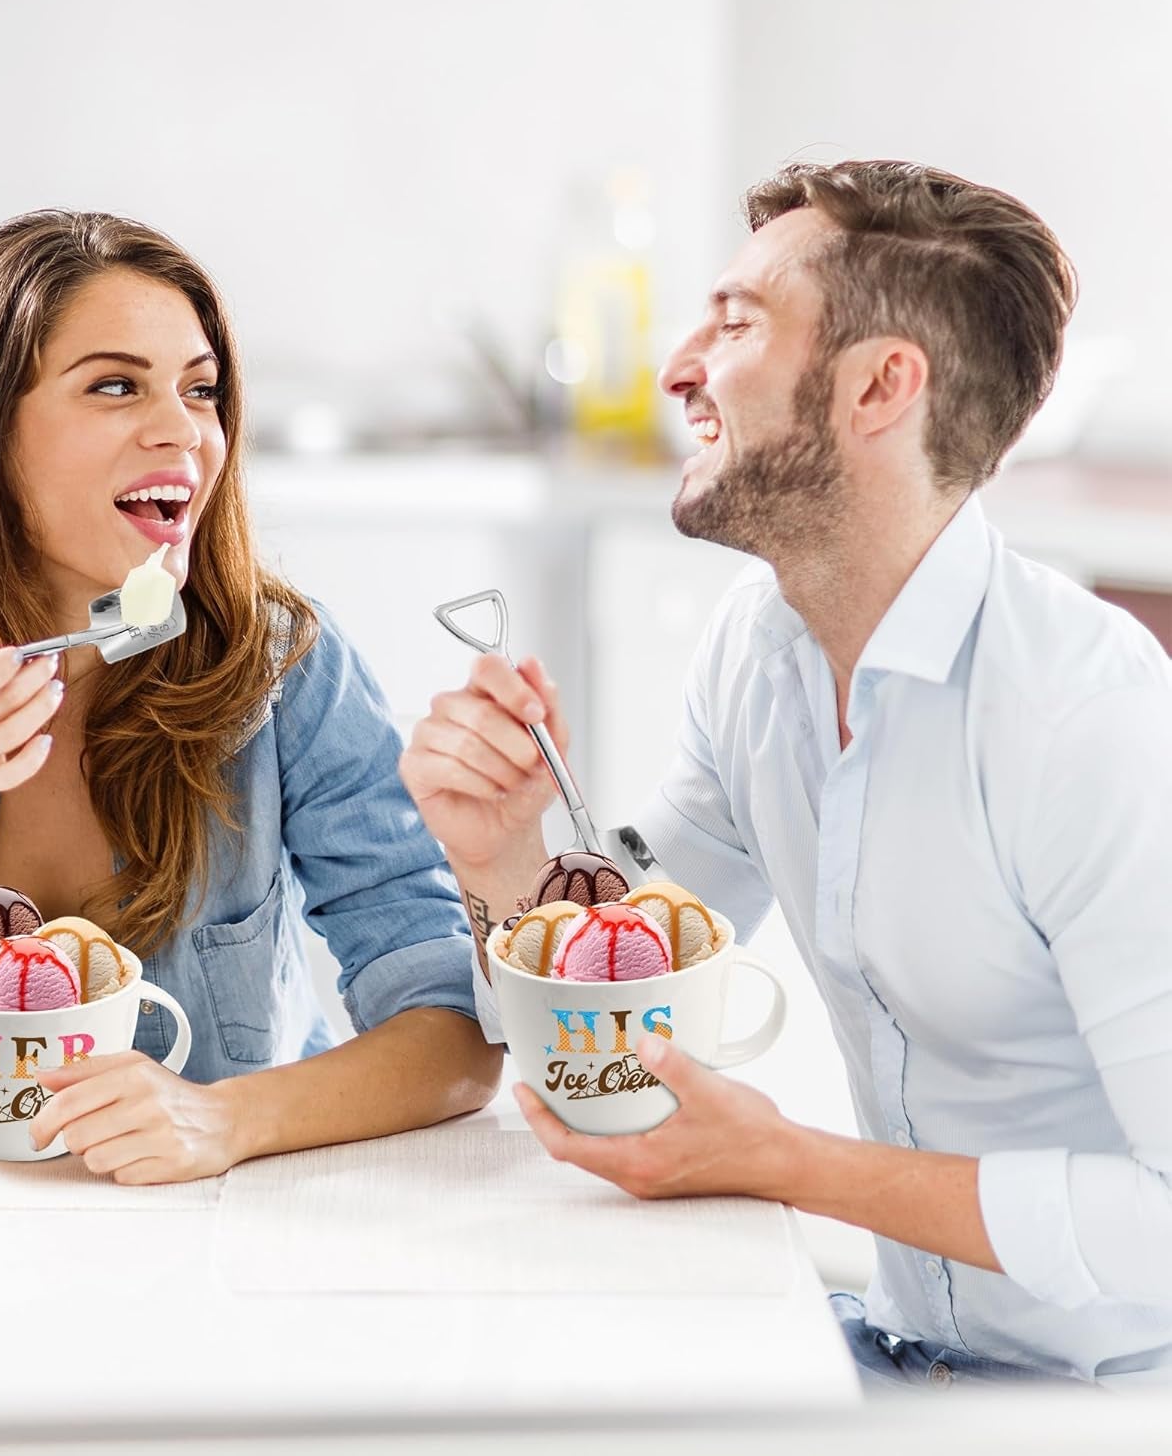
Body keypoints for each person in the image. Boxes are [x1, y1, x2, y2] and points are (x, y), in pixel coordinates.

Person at [400, 161, 1172, 1388]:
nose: (676, 369)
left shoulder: (1083, 720)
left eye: (737, 321)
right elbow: (609, 1003)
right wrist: (499, 856)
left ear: (879, 386)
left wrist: (786, 1161)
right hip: (903, 1360)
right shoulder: (759, 655)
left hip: (1098, 1411)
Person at [0, 209, 499, 1180]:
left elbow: (452, 1035)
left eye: (202, 391)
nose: (183, 430)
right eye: (115, 386)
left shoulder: (282, 668)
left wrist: (224, 1120)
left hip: (224, 1223)